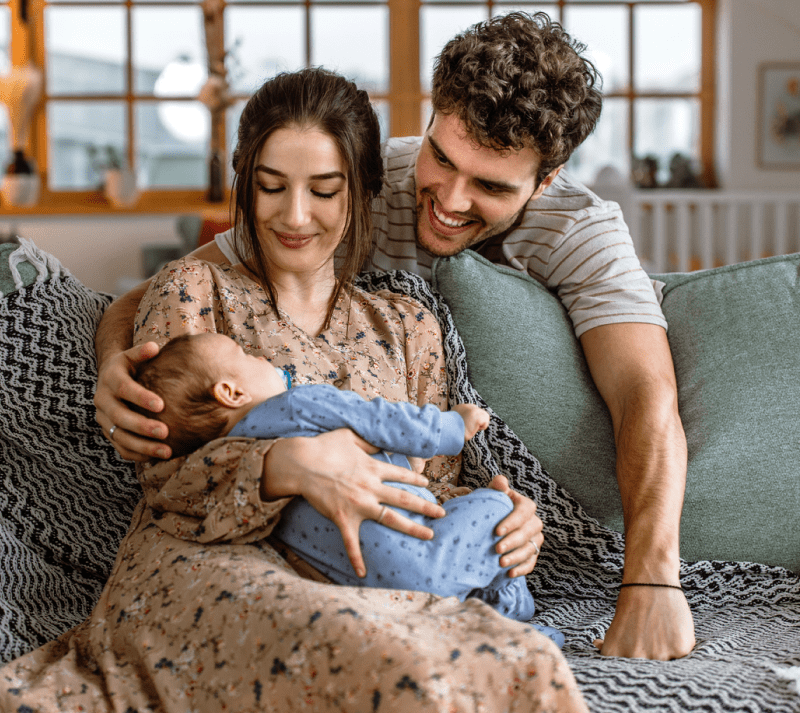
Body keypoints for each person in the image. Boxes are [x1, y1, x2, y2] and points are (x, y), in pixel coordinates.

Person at [0, 68, 612, 713]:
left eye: (324, 190)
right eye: (271, 186)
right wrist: (286, 465)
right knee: (394, 674)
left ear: (361, 192)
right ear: (245, 183)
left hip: (375, 572)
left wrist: (510, 522)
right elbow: (166, 481)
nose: (294, 215)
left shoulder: (409, 326)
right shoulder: (193, 293)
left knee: (461, 667)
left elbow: (434, 489)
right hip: (215, 563)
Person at [94, 12, 693, 662]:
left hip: (400, 554)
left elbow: (645, 394)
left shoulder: (572, 237)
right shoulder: (346, 182)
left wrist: (649, 577)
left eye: (489, 185)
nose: (450, 200)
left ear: (544, 181)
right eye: (443, 158)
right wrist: (117, 370)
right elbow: (153, 301)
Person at [132, 331, 566, 634]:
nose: (260, 356)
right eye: (245, 355)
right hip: (422, 550)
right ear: (231, 392)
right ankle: (511, 606)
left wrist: (406, 464)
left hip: (367, 592)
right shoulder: (298, 403)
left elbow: (371, 465)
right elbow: (381, 420)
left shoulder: (239, 471)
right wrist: (452, 426)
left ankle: (501, 628)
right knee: (498, 505)